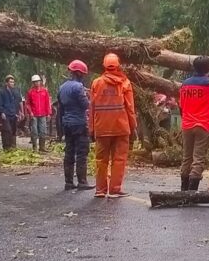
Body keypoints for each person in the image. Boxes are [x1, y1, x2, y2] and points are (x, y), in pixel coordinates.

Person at [90, 53, 137, 198]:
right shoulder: (125, 83)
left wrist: (91, 128)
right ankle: (115, 190)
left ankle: (100, 190)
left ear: (104, 66)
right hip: (121, 127)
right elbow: (130, 108)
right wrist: (133, 126)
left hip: (101, 127)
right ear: (118, 65)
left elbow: (91, 107)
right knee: (119, 159)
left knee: (101, 160)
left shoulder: (96, 83)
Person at [179, 56, 209, 191]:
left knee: (186, 157)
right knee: (198, 158)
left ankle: (183, 188)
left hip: (187, 124)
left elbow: (181, 106)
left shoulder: (185, 84)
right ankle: (192, 190)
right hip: (203, 125)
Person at [57, 60, 94, 191]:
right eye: (83, 74)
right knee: (82, 153)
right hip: (79, 123)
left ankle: (68, 182)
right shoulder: (78, 87)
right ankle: (82, 181)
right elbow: (85, 105)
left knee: (69, 152)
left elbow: (60, 107)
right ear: (79, 73)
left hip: (67, 123)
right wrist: (88, 96)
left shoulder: (62, 87)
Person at [26, 74, 52, 152]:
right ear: (33, 83)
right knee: (34, 131)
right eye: (35, 82)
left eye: (38, 81)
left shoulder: (44, 91)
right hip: (34, 114)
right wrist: (30, 112)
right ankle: (35, 148)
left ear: (40, 82)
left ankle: (42, 147)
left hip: (43, 114)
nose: (37, 83)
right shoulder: (30, 92)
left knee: (43, 131)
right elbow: (28, 104)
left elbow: (48, 103)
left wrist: (49, 113)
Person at [0, 75, 22, 150]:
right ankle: (6, 146)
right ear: (6, 83)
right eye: (10, 82)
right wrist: (2, 112)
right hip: (5, 114)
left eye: (13, 82)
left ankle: (13, 146)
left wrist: (19, 112)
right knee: (7, 130)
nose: (12, 83)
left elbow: (18, 102)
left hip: (13, 113)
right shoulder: (1, 92)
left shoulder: (16, 91)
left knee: (13, 130)